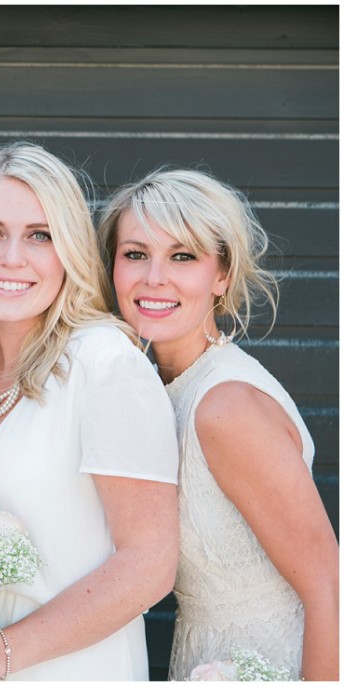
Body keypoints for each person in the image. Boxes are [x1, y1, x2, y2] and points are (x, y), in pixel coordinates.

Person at [0, 142, 180, 680]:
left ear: (69, 249)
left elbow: (150, 563)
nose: (11, 258)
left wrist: (6, 652)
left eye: (39, 236)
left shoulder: (105, 364)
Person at [99, 168, 339, 681]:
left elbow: (331, 585)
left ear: (222, 275)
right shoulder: (152, 388)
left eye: (182, 256)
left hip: (275, 664)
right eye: (136, 254)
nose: (154, 277)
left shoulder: (224, 405)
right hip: (200, 657)